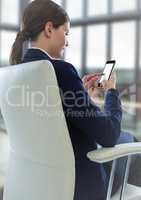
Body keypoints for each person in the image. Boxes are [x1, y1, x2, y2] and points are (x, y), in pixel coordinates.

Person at [10, 0, 122, 199]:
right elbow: (109, 134)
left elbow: (50, 117)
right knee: (128, 140)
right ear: (49, 28)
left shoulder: (17, 71)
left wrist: (82, 96)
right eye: (66, 32)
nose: (67, 41)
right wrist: (112, 91)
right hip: (80, 185)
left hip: (41, 182)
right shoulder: (61, 70)